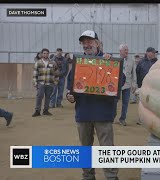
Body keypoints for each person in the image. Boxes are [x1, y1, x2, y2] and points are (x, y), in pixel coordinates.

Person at [66, 30, 125, 180]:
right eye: (84, 42)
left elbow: (121, 81)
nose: (87, 45)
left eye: (90, 41)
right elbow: (70, 87)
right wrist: (70, 96)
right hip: (83, 113)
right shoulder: (78, 63)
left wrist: (111, 63)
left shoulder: (108, 61)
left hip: (103, 114)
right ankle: (88, 176)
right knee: (85, 149)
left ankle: (111, 177)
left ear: (97, 43)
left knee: (107, 149)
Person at [115, 44, 138, 126]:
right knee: (114, 102)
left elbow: (133, 73)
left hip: (127, 85)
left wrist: (134, 84)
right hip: (116, 86)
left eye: (127, 50)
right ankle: (112, 117)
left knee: (125, 103)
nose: (126, 51)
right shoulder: (115, 60)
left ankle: (122, 119)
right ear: (120, 51)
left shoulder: (131, 61)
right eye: (125, 50)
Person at [32, 48, 59, 117]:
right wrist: (35, 83)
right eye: (44, 53)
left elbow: (56, 73)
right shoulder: (38, 63)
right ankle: (37, 111)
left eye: (47, 53)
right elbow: (35, 74)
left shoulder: (53, 63)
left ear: (48, 54)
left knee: (48, 97)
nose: (45, 54)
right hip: (41, 83)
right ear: (41, 54)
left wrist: (56, 82)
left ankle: (46, 111)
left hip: (50, 84)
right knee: (39, 97)